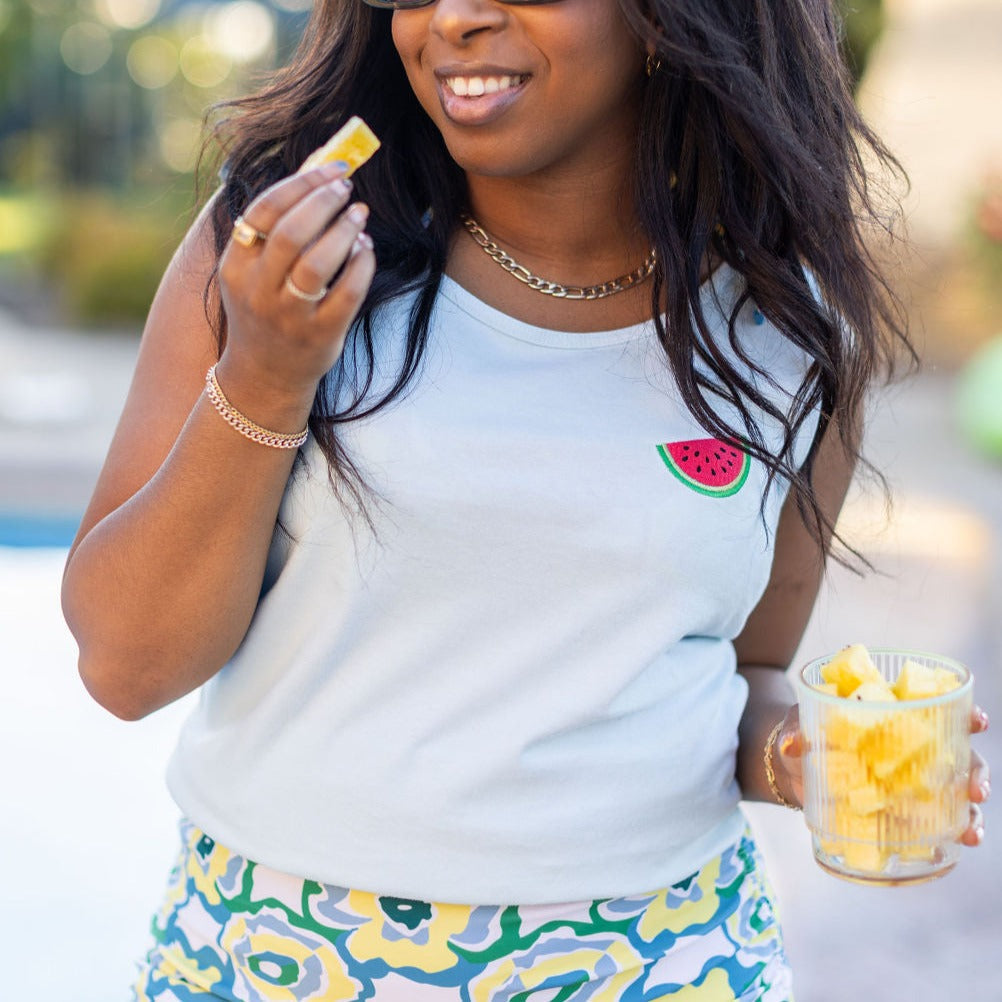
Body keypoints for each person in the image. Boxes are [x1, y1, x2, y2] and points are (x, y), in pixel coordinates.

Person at [61, 1, 991, 999]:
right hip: (283, 956)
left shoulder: (786, 338)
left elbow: (743, 673)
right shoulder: (281, 262)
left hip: (659, 960)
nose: (453, 18)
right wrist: (265, 375)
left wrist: (800, 756)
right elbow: (127, 667)